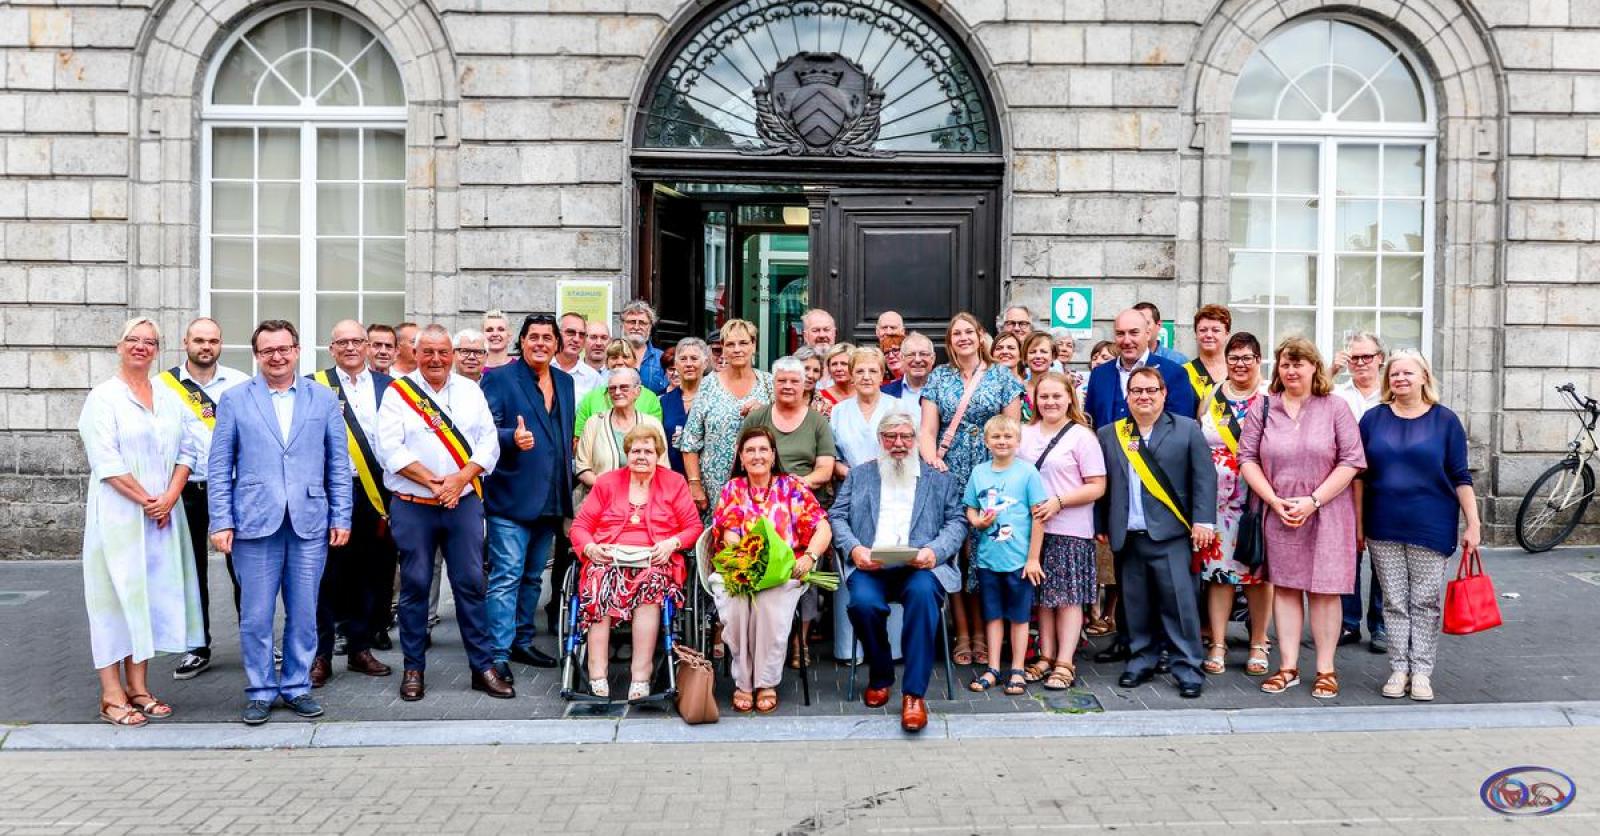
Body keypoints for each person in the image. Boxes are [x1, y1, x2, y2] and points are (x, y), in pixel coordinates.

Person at [208, 320, 351, 724]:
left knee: (305, 613)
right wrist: (221, 522)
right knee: (255, 615)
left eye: (284, 348)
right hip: (254, 524)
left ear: (298, 350)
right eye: (268, 350)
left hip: (309, 523)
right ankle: (259, 690)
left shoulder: (322, 399)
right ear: (256, 354)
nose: (277, 356)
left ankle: (296, 686)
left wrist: (342, 515)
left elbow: (338, 464)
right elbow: (220, 466)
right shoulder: (235, 399)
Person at [77, 317, 205, 727]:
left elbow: (188, 449)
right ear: (119, 345)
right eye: (133, 340)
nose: (141, 347)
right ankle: (111, 695)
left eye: (149, 342)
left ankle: (140, 687)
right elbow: (105, 460)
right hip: (119, 513)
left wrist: (168, 498)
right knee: (113, 598)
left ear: (158, 350)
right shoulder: (103, 397)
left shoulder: (167, 396)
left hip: (163, 514)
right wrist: (148, 500)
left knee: (148, 599)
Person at [377, 325, 511, 702]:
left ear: (452, 354)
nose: (436, 359)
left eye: (443, 352)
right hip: (413, 506)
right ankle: (414, 669)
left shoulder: (470, 391)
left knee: (471, 584)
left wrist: (460, 480)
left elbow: (487, 443)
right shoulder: (398, 393)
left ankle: (482, 667)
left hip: (463, 505)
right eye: (428, 352)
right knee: (415, 586)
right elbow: (389, 449)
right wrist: (437, 483)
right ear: (415, 354)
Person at [1239, 337, 1366, 700]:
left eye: (1299, 363)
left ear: (1314, 367)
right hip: (1279, 511)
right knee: (1287, 588)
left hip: (1327, 512)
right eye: (1285, 364)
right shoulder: (1263, 408)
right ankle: (1288, 666)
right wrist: (1273, 501)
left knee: (1325, 591)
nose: (1291, 370)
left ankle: (1325, 669)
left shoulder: (1335, 407)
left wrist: (1313, 500)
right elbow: (1247, 458)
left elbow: (1352, 461)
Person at [830, 411, 968, 732]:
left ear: (916, 439)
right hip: (872, 564)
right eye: (891, 437)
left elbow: (957, 522)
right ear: (880, 440)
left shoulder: (938, 478)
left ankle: (914, 695)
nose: (898, 444)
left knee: (922, 596)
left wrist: (935, 551)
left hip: (920, 567)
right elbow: (836, 516)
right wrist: (855, 549)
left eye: (906, 436)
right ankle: (881, 674)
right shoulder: (860, 475)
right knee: (862, 603)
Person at [1359, 350, 1480, 702]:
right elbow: (1359, 476)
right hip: (1383, 524)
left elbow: (1460, 476)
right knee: (1394, 601)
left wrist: (1473, 523)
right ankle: (1399, 668)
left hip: (1431, 525)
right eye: (1394, 374)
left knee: (1425, 601)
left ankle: (1422, 671)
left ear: (1425, 377)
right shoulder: (1373, 420)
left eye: (1408, 373)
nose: (1400, 379)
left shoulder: (1445, 421)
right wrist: (1357, 525)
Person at [1096, 367, 1217, 699]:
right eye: (1136, 391)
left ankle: (1188, 667)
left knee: (1180, 604)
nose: (1143, 397)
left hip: (1171, 535)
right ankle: (1141, 659)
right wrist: (1100, 524)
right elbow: (1100, 484)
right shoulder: (1111, 434)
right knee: (1136, 605)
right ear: (1128, 396)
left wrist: (1204, 521)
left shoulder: (1187, 430)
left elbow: (1204, 478)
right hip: (1128, 534)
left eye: (1150, 390)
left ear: (1164, 393)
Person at [918, 313, 1024, 666]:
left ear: (982, 337)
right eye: (956, 333)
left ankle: (984, 633)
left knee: (984, 555)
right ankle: (962, 632)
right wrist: (933, 461)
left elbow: (1013, 430)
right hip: (950, 474)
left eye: (969, 332)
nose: (963, 337)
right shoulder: (939, 378)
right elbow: (928, 430)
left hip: (991, 474)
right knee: (954, 553)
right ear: (950, 341)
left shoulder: (1002, 377)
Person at [569, 425, 703, 700]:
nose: (641, 456)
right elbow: (580, 526)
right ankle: (597, 674)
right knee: (597, 581)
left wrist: (671, 543)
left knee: (651, 585)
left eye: (648, 451)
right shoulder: (607, 482)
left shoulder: (674, 482)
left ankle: (640, 677)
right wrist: (591, 547)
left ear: (658, 455)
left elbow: (693, 527)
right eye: (636, 451)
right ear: (627, 453)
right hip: (609, 556)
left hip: (655, 558)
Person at [708, 427, 833, 713]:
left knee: (768, 603)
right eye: (750, 450)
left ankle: (765, 681)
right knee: (737, 601)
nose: (757, 456)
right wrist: (747, 566)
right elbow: (729, 535)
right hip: (742, 567)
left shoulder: (791, 487)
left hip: (786, 572)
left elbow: (822, 527)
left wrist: (810, 558)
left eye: (763, 449)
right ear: (741, 457)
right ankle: (744, 681)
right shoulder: (733, 490)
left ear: (773, 454)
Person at [480, 314, 576, 677]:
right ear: (521, 341)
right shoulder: (501, 379)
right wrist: (510, 438)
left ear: (556, 344)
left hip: (551, 497)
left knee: (534, 576)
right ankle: (497, 654)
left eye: (547, 338)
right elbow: (483, 431)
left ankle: (521, 641)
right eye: (533, 337)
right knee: (507, 574)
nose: (540, 343)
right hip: (510, 495)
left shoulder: (565, 382)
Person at [307, 320, 396, 688]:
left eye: (356, 341)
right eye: (341, 342)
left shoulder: (389, 386)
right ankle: (321, 655)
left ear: (367, 345)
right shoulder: (313, 385)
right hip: (329, 493)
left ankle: (360, 648)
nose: (350, 347)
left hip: (375, 493)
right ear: (331, 349)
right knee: (326, 576)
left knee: (370, 574)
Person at [160, 317, 249, 681]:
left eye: (212, 340)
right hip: (187, 489)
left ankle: (254, 641)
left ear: (221, 344)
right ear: (186, 342)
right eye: (199, 340)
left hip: (231, 486)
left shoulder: (241, 383)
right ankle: (197, 646)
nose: (206, 346)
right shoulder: (163, 387)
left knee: (244, 570)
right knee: (190, 570)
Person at [742, 357, 838, 667]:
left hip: (803, 506)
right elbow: (741, 458)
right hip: (758, 504)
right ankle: (762, 639)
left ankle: (800, 641)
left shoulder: (816, 422)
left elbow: (825, 468)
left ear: (804, 385)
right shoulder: (757, 417)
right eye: (781, 380)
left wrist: (796, 485)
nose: (787, 386)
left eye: (794, 381)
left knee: (803, 567)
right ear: (773, 385)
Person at [1019, 372, 1105, 690]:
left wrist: (1059, 501)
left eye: (1057, 396)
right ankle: (1046, 655)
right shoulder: (1025, 434)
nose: (1050, 402)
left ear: (1070, 397)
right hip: (1034, 528)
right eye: (1044, 396)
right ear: (1035, 400)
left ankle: (1065, 661)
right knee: (1043, 596)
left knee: (1067, 598)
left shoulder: (1082, 437)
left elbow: (1097, 485)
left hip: (1070, 526)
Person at [1194, 333, 1273, 677]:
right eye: (1234, 358)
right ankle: (1218, 643)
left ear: (1259, 360)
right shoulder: (1213, 394)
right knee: (1219, 574)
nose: (1239, 364)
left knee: (1257, 573)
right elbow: (1199, 440)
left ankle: (1258, 642)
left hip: (1257, 499)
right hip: (1217, 502)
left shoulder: (1271, 396)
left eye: (1247, 357)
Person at [963, 415, 1048, 696]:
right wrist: (977, 522)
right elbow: (971, 508)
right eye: (996, 437)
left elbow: (1039, 517)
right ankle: (994, 667)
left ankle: (1018, 668)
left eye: (1008, 437)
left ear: (1018, 441)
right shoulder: (979, 473)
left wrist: (1033, 558)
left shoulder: (1027, 473)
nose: (1002, 442)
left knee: (1020, 617)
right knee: (993, 615)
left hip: (1019, 561)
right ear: (987, 442)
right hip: (988, 559)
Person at [1333, 331, 1389, 652]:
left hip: (1383, 484)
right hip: (1344, 483)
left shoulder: (1390, 393)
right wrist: (1330, 370)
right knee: (1348, 554)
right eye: (1354, 357)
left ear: (1380, 358)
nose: (1361, 363)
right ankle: (1348, 622)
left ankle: (1380, 624)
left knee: (1382, 555)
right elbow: (1309, 400)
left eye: (1367, 356)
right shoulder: (1339, 394)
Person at [681, 319, 774, 511]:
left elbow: (783, 428)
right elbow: (690, 440)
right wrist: (694, 483)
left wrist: (765, 412)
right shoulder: (708, 384)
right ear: (722, 348)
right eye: (730, 344)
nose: (737, 349)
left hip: (760, 481)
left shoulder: (769, 383)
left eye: (743, 343)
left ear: (754, 345)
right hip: (715, 487)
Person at [1084, 309, 1196, 429]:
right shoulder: (1099, 374)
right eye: (1120, 334)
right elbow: (1090, 422)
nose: (1126, 341)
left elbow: (1180, 427)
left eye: (1134, 333)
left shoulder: (1174, 373)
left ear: (1147, 334)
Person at [577, 367, 663, 502]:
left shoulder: (652, 424)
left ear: (637, 391)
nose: (617, 392)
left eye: (624, 388)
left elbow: (662, 468)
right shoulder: (594, 423)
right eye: (612, 388)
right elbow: (582, 469)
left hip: (644, 502)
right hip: (600, 501)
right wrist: (612, 490)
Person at [574, 339, 664, 433]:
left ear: (635, 362)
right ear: (607, 363)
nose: (620, 362)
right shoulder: (590, 400)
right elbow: (579, 439)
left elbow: (655, 438)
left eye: (625, 357)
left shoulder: (650, 399)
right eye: (614, 357)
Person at [660, 337, 709, 475]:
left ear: (705, 363)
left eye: (694, 358)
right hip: (672, 479)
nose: (688, 364)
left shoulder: (714, 398)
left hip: (707, 478)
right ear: (676, 364)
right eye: (683, 359)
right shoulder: (664, 402)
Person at [1186, 305, 1231, 407]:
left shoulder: (1238, 370)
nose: (1209, 335)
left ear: (1227, 335)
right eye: (1203, 330)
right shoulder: (1184, 373)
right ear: (1196, 335)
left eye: (1216, 330)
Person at [621, 300, 670, 394]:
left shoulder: (661, 358)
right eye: (632, 322)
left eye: (642, 323)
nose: (636, 327)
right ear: (622, 325)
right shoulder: (613, 356)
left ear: (650, 327)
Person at [882, 332, 934, 414]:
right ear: (902, 358)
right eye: (911, 355)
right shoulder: (884, 393)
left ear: (933, 358)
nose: (917, 360)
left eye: (923, 354)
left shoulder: (945, 391)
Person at [555, 312, 603, 400]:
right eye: (570, 332)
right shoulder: (543, 368)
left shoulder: (593, 379)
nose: (576, 339)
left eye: (582, 335)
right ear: (557, 335)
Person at [1020, 330, 1055, 421]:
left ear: (1053, 357)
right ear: (1025, 358)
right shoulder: (1017, 390)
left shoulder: (1062, 389)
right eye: (1032, 352)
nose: (1038, 356)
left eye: (1043, 351)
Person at [816, 342, 855, 415]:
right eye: (834, 364)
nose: (839, 368)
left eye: (844, 364)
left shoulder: (864, 395)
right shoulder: (820, 398)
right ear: (829, 368)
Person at [794, 345, 826, 412]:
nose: (811, 375)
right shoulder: (777, 396)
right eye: (806, 368)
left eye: (816, 371)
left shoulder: (824, 405)